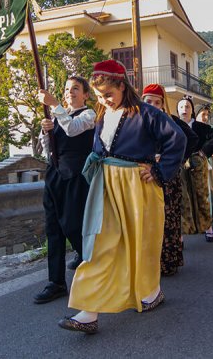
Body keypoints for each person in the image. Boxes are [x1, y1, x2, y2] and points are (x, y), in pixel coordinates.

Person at [58, 60, 186, 335]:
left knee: (142, 242)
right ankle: (88, 312)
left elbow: (177, 139)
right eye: (100, 95)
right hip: (107, 186)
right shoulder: (103, 114)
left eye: (108, 94)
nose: (104, 100)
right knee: (101, 244)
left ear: (122, 86)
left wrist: (160, 170)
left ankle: (151, 293)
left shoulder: (148, 113)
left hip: (137, 185)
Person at [33, 77, 96, 304]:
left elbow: (72, 129)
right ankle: (56, 281)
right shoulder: (58, 117)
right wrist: (46, 132)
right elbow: (48, 151)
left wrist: (54, 107)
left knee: (73, 226)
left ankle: (97, 270)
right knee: (53, 229)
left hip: (76, 177)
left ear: (86, 95)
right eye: (67, 89)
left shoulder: (89, 116)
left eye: (76, 89)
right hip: (54, 176)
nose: (70, 92)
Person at [141, 84, 198, 276]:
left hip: (167, 175)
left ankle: (168, 262)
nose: (153, 105)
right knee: (147, 219)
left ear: (163, 104)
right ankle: (148, 263)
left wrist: (174, 160)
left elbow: (191, 139)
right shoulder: (138, 121)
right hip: (145, 175)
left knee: (168, 218)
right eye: (148, 101)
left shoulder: (170, 120)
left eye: (157, 102)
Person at [177, 96, 213, 242]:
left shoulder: (199, 127)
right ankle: (182, 233)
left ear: (192, 110)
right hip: (179, 164)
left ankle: (207, 227)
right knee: (182, 197)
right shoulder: (174, 125)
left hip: (197, 164)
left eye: (187, 106)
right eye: (181, 107)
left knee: (202, 195)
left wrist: (204, 152)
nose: (184, 109)